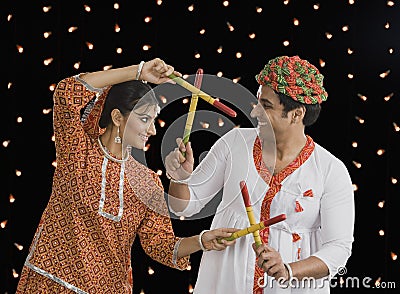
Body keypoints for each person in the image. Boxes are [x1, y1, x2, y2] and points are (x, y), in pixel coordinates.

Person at [15, 58, 237, 293]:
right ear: (117, 117)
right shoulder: (78, 151)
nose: (152, 130)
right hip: (49, 283)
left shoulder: (146, 181)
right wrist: (139, 71)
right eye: (144, 119)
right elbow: (66, 92)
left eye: (153, 120)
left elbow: (160, 245)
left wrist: (202, 241)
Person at [165, 55, 355, 293]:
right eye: (258, 102)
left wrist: (288, 269)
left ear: (296, 114)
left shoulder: (330, 170)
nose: (254, 112)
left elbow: (338, 248)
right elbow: (184, 206)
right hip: (227, 283)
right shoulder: (234, 143)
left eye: (266, 106)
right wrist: (179, 177)